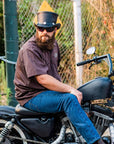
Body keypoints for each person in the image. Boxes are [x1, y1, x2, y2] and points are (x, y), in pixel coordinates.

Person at [14, 11, 105, 144]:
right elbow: (43, 79)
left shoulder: (53, 45)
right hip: (31, 96)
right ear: (36, 28)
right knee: (69, 99)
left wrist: (71, 90)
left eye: (49, 29)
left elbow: (53, 74)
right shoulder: (30, 49)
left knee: (82, 95)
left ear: (55, 29)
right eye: (40, 28)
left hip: (45, 92)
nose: (44, 32)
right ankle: (96, 141)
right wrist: (70, 90)